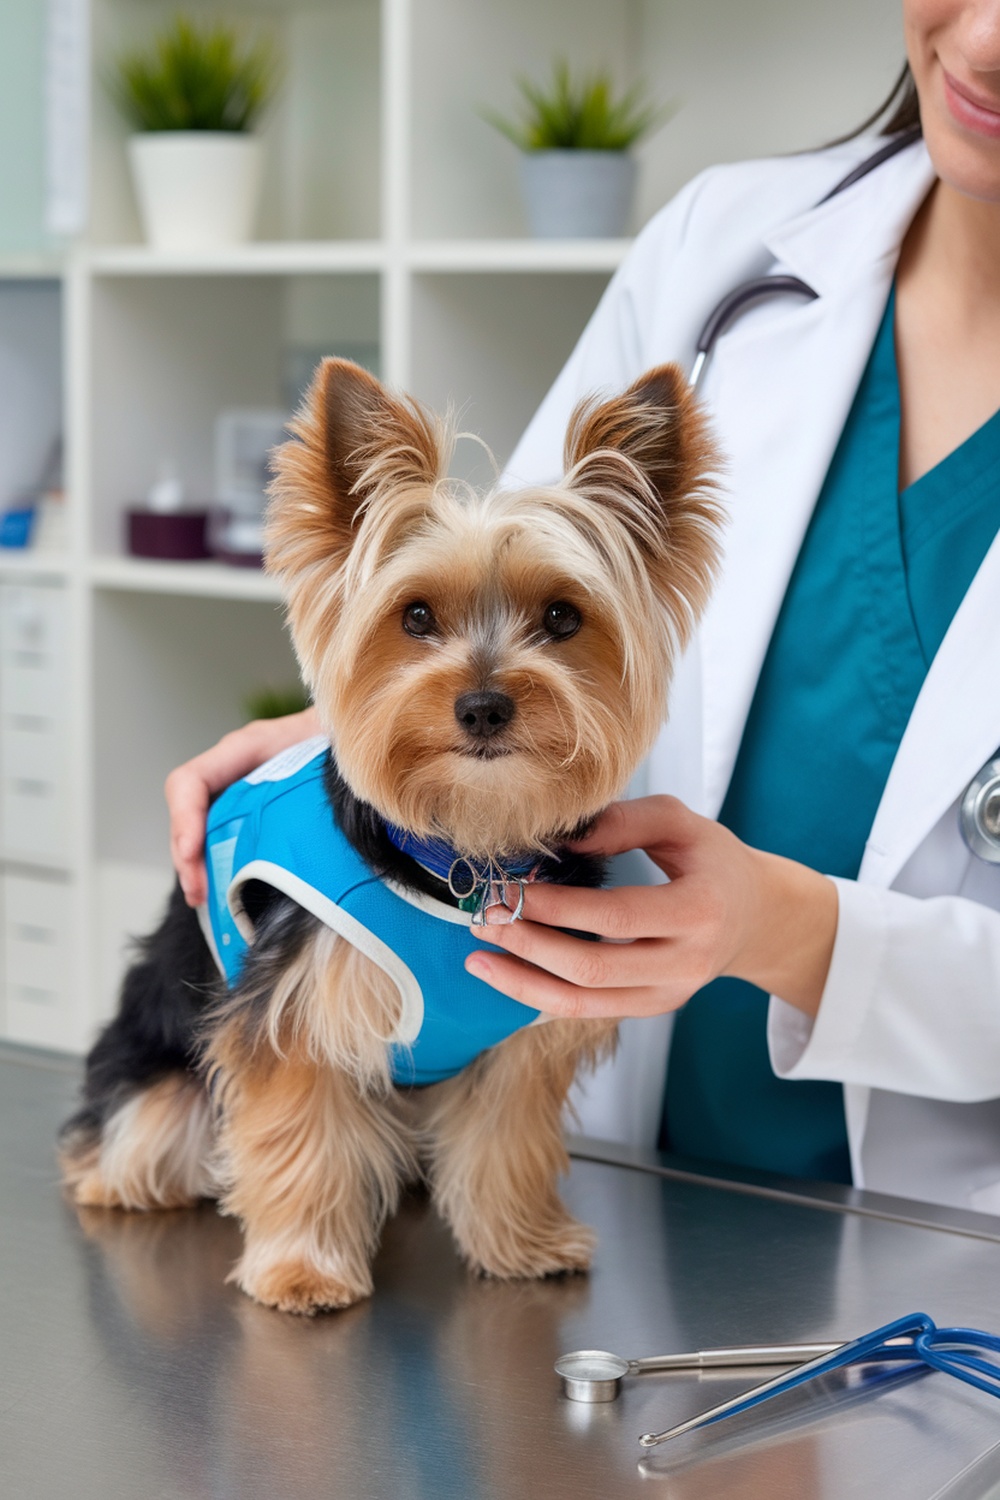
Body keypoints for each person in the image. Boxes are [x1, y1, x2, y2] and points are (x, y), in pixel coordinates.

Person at [166, 0, 1000, 1213]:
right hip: (614, 1178)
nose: (981, 42)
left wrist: (792, 932)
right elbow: (509, 589)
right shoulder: (731, 244)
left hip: (952, 1246)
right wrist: (339, 745)